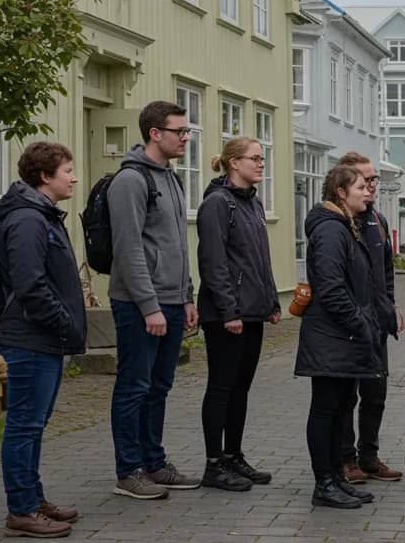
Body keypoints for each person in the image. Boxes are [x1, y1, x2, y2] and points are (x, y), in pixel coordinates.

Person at [0, 142, 87, 538]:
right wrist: (63, 322)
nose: (74, 178)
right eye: (67, 171)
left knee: (33, 424)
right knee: (24, 426)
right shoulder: (29, 220)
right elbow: (30, 284)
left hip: (42, 337)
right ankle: (22, 510)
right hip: (30, 337)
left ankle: (33, 498)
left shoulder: (41, 215)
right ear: (45, 176)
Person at [109, 100, 200, 499]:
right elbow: (128, 248)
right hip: (138, 304)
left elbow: (177, 243)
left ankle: (154, 463)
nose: (186, 138)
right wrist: (149, 306)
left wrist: (187, 296)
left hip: (173, 301)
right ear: (155, 133)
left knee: (159, 387)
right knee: (134, 386)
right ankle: (128, 471)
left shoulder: (171, 179)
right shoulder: (131, 181)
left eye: (187, 131)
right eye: (179, 131)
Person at [196, 136, 280, 492]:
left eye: (262, 158)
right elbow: (213, 262)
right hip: (225, 315)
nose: (261, 164)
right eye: (254, 158)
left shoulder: (253, 204)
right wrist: (228, 310)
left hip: (252, 311)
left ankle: (233, 455)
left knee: (241, 388)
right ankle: (214, 464)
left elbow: (260, 259)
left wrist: (272, 300)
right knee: (221, 386)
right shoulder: (218, 203)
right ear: (234, 163)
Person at [294, 166, 379, 509]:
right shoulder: (331, 230)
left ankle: (336, 478)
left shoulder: (344, 226)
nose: (368, 191)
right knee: (326, 410)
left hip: (343, 336)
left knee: (341, 408)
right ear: (341, 193)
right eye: (360, 187)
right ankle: (324, 483)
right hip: (332, 336)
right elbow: (331, 288)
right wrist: (360, 324)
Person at [334, 152, 402, 484]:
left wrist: (390, 306)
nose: (371, 185)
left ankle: (369, 456)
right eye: (365, 180)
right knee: (346, 396)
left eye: (373, 179)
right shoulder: (338, 223)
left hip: (377, 323)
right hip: (349, 325)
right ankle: (346, 459)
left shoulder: (378, 220)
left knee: (376, 394)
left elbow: (386, 271)